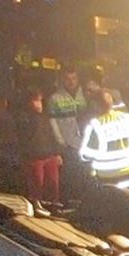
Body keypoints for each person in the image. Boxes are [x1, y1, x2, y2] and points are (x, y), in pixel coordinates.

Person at [79, 89, 129, 208]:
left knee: (113, 207)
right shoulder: (127, 118)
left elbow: (86, 154)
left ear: (96, 106)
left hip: (108, 176)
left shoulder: (95, 125)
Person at [46, 64, 86, 200]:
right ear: (62, 80)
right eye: (68, 79)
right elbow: (53, 124)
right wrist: (60, 144)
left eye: (74, 78)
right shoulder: (55, 99)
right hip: (68, 146)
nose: (71, 82)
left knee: (83, 176)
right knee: (69, 177)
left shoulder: (84, 95)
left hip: (85, 144)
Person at [17, 88, 62, 203]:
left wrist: (57, 153)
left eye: (41, 100)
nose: (39, 104)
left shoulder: (45, 117)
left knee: (53, 185)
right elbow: (25, 138)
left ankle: (54, 207)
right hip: (34, 158)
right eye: (36, 100)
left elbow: (52, 134)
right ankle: (37, 209)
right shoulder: (24, 118)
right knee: (37, 187)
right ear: (29, 102)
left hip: (50, 156)